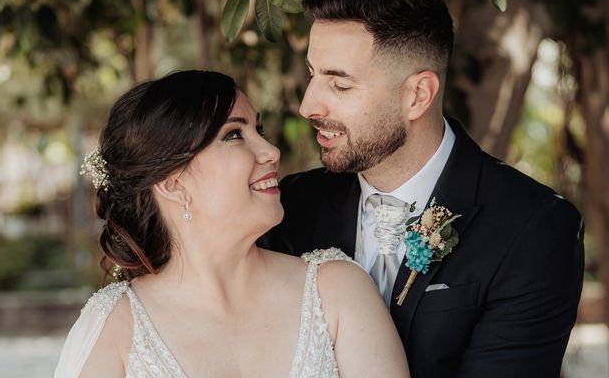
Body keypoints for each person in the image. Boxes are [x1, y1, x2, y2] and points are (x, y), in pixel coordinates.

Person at [260, 0, 585, 378]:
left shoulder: (533, 228)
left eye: (340, 85)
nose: (309, 106)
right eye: (312, 75)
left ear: (418, 95)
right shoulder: (288, 207)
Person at [54, 70, 409, 378]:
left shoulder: (337, 292)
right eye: (234, 135)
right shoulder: (114, 326)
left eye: (258, 129)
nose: (271, 150)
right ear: (172, 183)